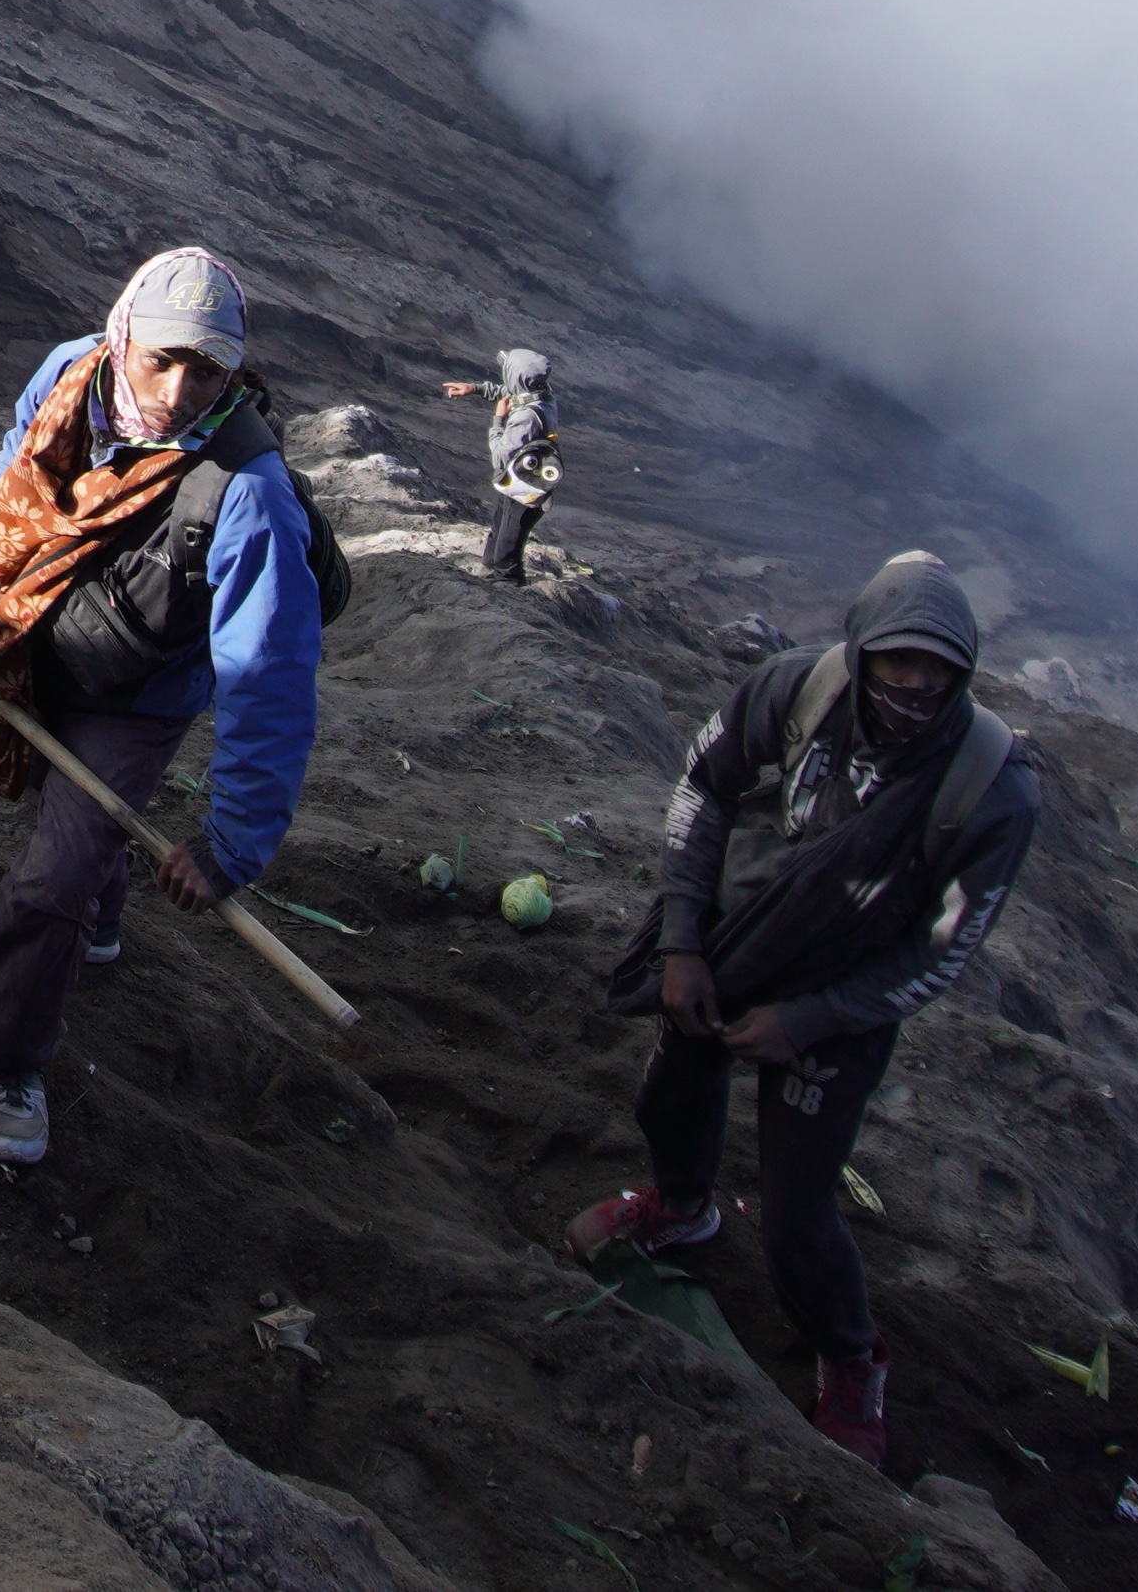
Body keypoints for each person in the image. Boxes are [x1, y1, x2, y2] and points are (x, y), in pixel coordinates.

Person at [571, 551, 1040, 1472]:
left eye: (938, 670)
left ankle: (850, 1354)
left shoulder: (992, 789)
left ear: (965, 672)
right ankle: (682, 1208)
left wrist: (813, 1019)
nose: (915, 685)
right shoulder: (795, 688)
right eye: (898, 662)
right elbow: (703, 787)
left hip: (845, 996)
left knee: (798, 1207)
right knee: (672, 1096)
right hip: (735, 938)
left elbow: (941, 950)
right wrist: (681, 941)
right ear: (863, 650)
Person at [0, 247, 320, 1167]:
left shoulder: (247, 495)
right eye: (164, 359)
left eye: (209, 369)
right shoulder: (75, 375)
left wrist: (232, 843)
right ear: (123, 337)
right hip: (46, 634)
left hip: (140, 693)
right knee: (63, 820)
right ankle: (93, 930)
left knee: (54, 874)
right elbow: (6, 479)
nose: (183, 389)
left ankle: (12, 1060)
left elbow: (269, 674)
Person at [441, 345, 558, 582]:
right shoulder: (542, 393)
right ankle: (488, 572)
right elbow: (511, 391)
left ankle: (508, 585)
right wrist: (475, 389)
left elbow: (500, 456)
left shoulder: (526, 417)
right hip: (519, 478)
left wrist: (498, 420)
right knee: (499, 529)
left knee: (509, 542)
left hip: (527, 488)